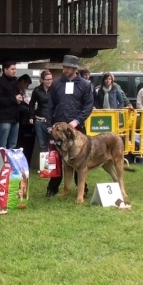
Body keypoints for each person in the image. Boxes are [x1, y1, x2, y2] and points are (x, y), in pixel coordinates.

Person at [46, 55, 94, 197]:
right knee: (56, 159)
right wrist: (49, 125)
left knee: (80, 160)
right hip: (58, 130)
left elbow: (88, 106)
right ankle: (52, 188)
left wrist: (77, 121)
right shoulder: (56, 84)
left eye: (67, 67)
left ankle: (82, 189)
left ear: (74, 68)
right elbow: (50, 106)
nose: (65, 69)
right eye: (64, 67)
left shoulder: (85, 85)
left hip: (76, 128)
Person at [0, 61, 23, 149]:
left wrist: (20, 99)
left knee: (13, 145)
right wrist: (14, 99)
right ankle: (1, 163)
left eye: (15, 69)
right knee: (2, 146)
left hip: (15, 118)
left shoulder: (15, 81)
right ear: (5, 70)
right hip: (3, 119)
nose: (14, 71)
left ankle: (10, 163)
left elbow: (17, 95)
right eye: (12, 69)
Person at [29, 71, 52, 152]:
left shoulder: (54, 90)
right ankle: (44, 164)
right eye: (47, 79)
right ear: (42, 80)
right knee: (42, 145)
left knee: (52, 143)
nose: (49, 81)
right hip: (39, 120)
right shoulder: (37, 90)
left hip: (51, 120)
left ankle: (52, 164)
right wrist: (31, 116)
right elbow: (31, 103)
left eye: (50, 79)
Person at [16, 74, 35, 163]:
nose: (27, 87)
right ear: (22, 81)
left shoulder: (23, 91)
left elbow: (27, 99)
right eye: (26, 84)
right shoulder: (16, 89)